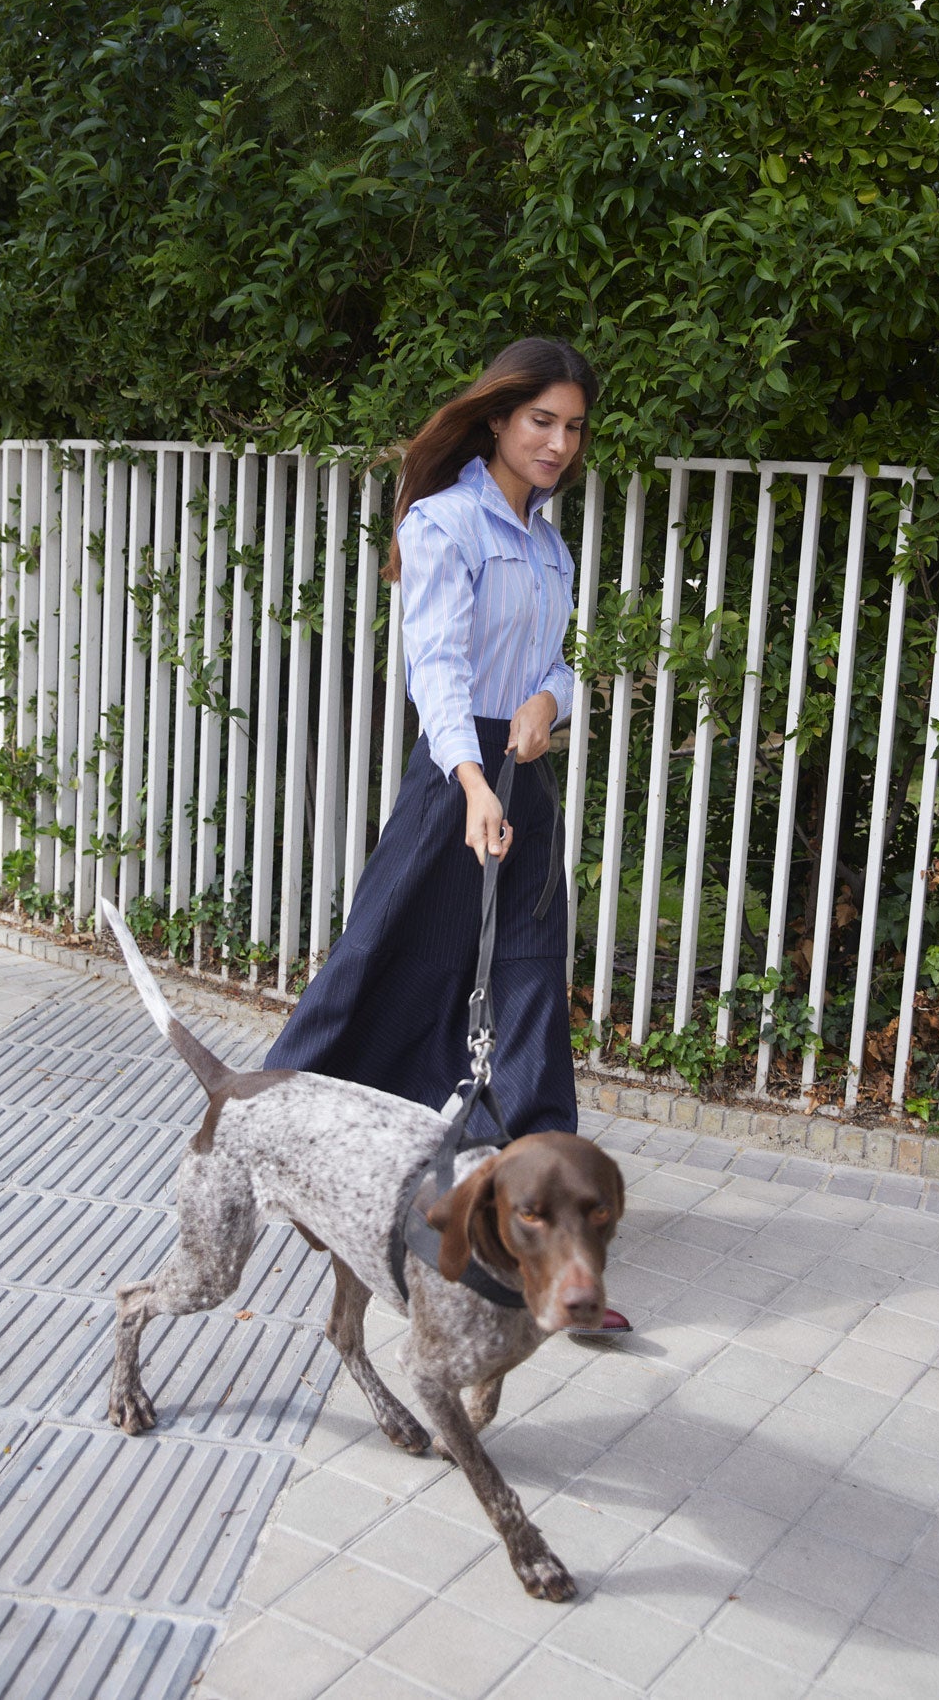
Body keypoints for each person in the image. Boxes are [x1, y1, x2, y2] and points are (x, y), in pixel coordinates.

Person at [264, 336, 629, 1332]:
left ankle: (548, 1238)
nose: (557, 443)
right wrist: (470, 779)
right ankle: (271, 1138)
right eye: (540, 421)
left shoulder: (547, 540)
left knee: (526, 984)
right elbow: (434, 666)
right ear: (499, 421)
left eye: (572, 427)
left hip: (526, 782)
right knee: (384, 965)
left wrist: (550, 699)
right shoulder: (443, 522)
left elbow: (558, 658)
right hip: (452, 782)